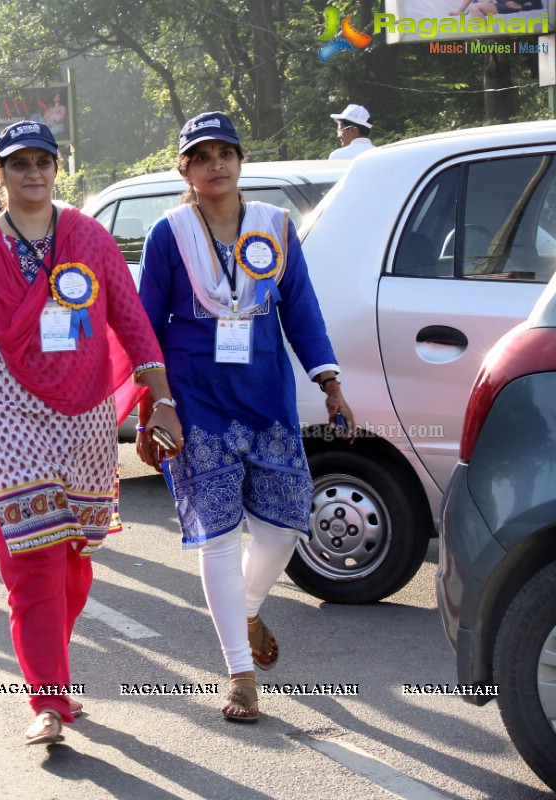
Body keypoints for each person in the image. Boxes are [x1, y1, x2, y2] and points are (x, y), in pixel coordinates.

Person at [0, 120, 179, 745]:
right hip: (5, 422)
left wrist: (160, 400)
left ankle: (51, 671)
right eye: (19, 163)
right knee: (30, 563)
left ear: (58, 169)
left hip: (81, 423)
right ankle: (49, 700)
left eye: (44, 161)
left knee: (70, 566)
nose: (32, 172)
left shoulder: (89, 236)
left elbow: (133, 323)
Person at [137, 111, 355, 724]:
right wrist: (154, 401)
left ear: (240, 159)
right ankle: (239, 672)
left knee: (285, 523)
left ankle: (249, 605)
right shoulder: (169, 232)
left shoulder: (276, 226)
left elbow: (302, 310)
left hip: (266, 397)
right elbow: (146, 324)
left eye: (225, 152)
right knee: (217, 534)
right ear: (184, 167)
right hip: (196, 402)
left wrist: (329, 381)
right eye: (201, 155)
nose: (216, 164)